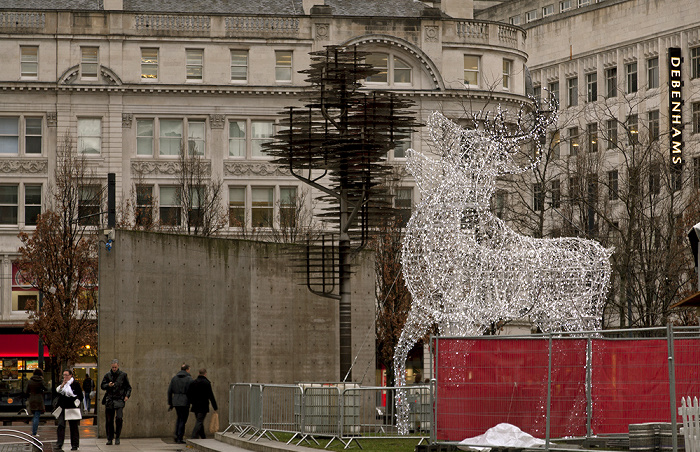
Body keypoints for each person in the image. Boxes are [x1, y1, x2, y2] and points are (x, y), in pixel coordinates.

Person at [101, 359, 132, 446]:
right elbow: (102, 386)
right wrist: (108, 385)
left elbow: (128, 387)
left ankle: (117, 436)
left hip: (119, 399)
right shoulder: (107, 375)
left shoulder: (123, 375)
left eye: (115, 367)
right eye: (112, 367)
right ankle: (110, 438)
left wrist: (127, 396)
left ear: (118, 366)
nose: (114, 369)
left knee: (119, 418)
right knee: (109, 420)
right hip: (110, 399)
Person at [56, 368, 83, 451]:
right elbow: (57, 391)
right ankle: (59, 443)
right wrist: (63, 385)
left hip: (71, 407)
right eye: (64, 375)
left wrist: (76, 403)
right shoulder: (62, 384)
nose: (65, 377)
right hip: (62, 407)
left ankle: (75, 445)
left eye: (67, 375)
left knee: (73, 427)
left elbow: (80, 396)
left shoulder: (75, 384)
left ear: (71, 375)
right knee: (61, 425)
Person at [187, 368, 218, 439]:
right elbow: (211, 395)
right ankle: (194, 437)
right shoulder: (206, 383)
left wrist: (191, 402)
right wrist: (215, 406)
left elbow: (189, 394)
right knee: (199, 421)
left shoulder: (194, 382)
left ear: (199, 373)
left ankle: (203, 437)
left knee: (199, 421)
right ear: (205, 374)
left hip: (195, 405)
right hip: (203, 405)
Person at [167, 364, 193, 444]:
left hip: (176, 401)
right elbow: (192, 391)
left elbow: (169, 391)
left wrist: (170, 403)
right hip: (185, 402)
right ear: (187, 370)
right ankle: (179, 437)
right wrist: (191, 401)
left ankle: (176, 434)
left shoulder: (174, 378)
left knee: (179, 418)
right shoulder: (189, 379)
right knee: (183, 420)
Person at [24, 368, 48, 437]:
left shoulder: (30, 381)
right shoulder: (41, 381)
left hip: (31, 399)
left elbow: (26, 391)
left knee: (34, 415)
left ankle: (33, 430)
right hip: (39, 399)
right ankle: (34, 432)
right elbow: (46, 388)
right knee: (37, 416)